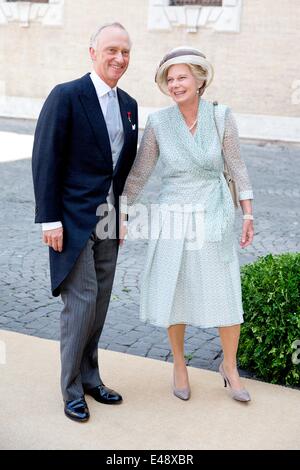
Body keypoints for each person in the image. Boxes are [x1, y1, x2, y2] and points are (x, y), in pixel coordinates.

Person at [120, 47, 254, 402]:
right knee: (175, 289)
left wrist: (248, 214)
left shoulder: (222, 116)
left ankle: (230, 366)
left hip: (214, 213)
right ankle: (179, 364)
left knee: (225, 290)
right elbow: (140, 172)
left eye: (181, 77)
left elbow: (237, 166)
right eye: (170, 79)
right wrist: (120, 210)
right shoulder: (160, 123)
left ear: (200, 79)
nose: (175, 84)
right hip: (173, 218)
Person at [32, 23, 138, 422]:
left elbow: (121, 169)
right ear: (92, 52)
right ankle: (71, 389)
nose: (119, 59)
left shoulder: (129, 104)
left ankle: (91, 377)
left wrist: (121, 213)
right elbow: (45, 158)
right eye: (112, 50)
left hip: (108, 218)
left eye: (125, 52)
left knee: (101, 303)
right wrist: (48, 220)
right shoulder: (67, 96)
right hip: (72, 220)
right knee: (81, 302)